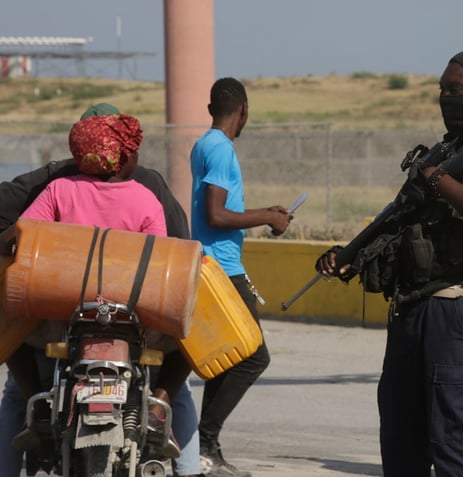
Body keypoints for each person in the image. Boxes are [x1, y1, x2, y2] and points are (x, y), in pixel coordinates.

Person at [317, 48, 463, 477]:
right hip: (410, 310)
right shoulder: (446, 150)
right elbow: (396, 217)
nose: (448, 98)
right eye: (443, 90)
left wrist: (437, 180)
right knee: (401, 442)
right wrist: (350, 256)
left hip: (455, 313)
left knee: (454, 443)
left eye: (459, 90)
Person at [0, 105, 200, 477]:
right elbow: (157, 261)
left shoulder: (58, 188)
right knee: (188, 345)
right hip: (131, 321)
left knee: (14, 346)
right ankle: (161, 410)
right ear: (125, 156)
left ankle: (33, 406)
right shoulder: (145, 197)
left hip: (65, 318)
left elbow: (24, 235)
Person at [190, 77, 290, 477]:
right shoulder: (221, 150)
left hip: (215, 266)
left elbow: (218, 209)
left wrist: (265, 211)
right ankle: (204, 442)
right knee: (252, 357)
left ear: (211, 107)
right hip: (223, 270)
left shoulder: (204, 144)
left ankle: (203, 447)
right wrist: (268, 217)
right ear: (243, 110)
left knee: (228, 359)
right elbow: (216, 215)